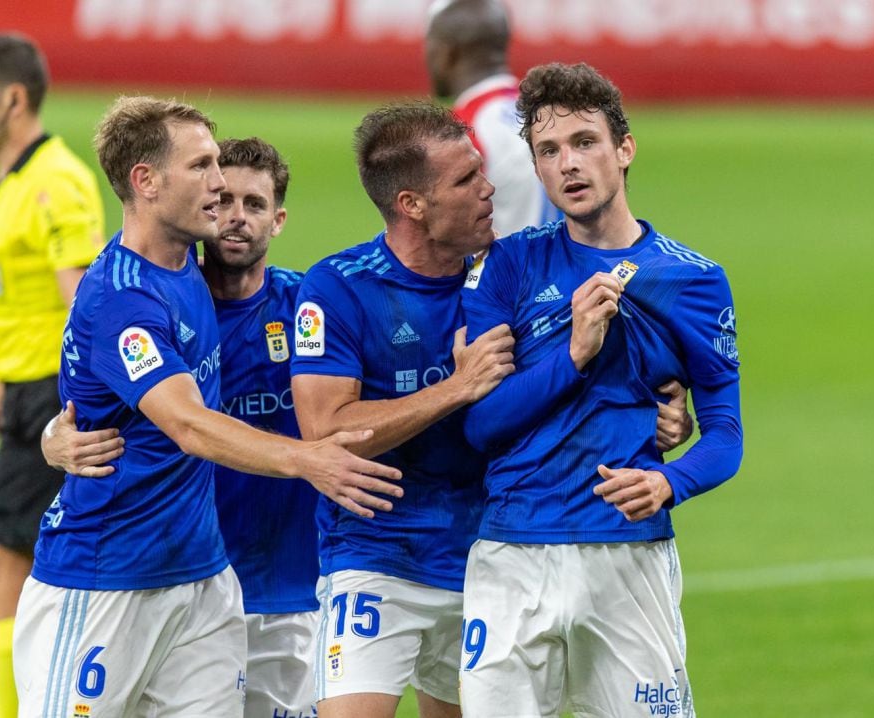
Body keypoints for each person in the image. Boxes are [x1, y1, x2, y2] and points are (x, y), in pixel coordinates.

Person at [12, 96, 402, 718]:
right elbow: (189, 423)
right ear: (146, 181)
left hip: (203, 582)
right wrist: (310, 460)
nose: (220, 187)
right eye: (202, 167)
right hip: (105, 580)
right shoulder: (122, 299)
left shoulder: (189, 269)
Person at [458, 63, 744, 717]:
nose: (569, 164)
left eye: (585, 142)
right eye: (549, 151)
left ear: (624, 148)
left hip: (628, 557)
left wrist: (671, 483)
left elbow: (725, 431)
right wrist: (576, 354)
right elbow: (480, 426)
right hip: (513, 556)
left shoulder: (694, 281)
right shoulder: (507, 265)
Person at [42, 137, 322, 717]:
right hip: (171, 577)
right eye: (224, 199)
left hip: (282, 587)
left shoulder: (308, 309)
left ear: (279, 219)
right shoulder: (162, 298)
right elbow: (93, 398)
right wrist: (53, 437)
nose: (235, 217)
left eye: (255, 203)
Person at [289, 102, 515, 718]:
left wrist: (658, 412)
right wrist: (455, 387)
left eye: (482, 172)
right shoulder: (338, 287)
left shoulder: (508, 275)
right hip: (376, 557)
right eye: (466, 180)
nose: (489, 189)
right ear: (412, 203)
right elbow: (327, 431)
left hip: (492, 558)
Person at [0, 33, 105, 718]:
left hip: (51, 398)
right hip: (23, 393)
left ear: (12, 99)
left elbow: (86, 304)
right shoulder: (16, 181)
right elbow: (27, 310)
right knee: (21, 582)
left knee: (4, 582)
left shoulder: (55, 183)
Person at [424, 0, 562, 236]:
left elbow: (438, 242)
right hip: (574, 268)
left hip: (507, 271)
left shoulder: (461, 129)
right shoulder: (549, 113)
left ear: (447, 52)